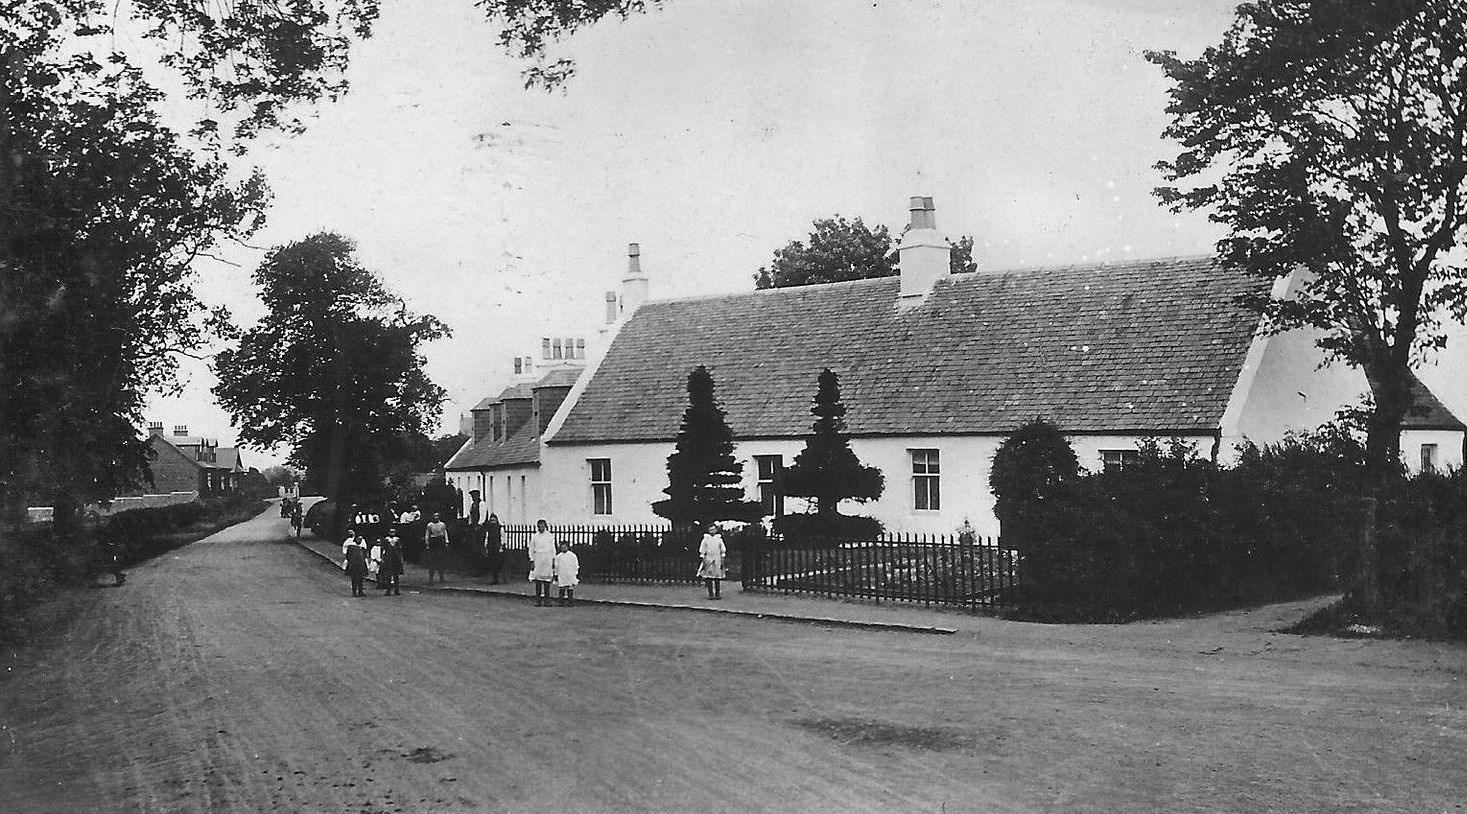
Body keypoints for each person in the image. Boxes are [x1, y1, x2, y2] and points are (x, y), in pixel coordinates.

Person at [528, 518, 557, 607]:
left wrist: (553, 559)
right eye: (539, 526)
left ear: (545, 526)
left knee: (547, 581)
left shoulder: (550, 536)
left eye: (542, 526)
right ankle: (538, 600)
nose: (541, 528)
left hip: (547, 558)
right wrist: (532, 560)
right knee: (538, 581)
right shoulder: (535, 536)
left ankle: (547, 600)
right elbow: (531, 549)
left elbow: (553, 548)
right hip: (538, 558)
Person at [697, 523, 726, 600]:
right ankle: (710, 594)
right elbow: (702, 550)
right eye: (710, 530)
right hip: (708, 558)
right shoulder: (705, 539)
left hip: (717, 558)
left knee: (717, 577)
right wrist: (703, 558)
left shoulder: (719, 539)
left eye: (713, 529)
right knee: (708, 577)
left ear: (716, 530)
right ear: (708, 530)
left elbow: (722, 549)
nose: (712, 531)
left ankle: (717, 594)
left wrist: (722, 558)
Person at [423, 512, 450, 583]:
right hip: (433, 542)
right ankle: (431, 579)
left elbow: (445, 533)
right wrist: (427, 544)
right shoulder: (430, 525)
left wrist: (446, 542)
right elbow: (427, 534)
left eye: (437, 516)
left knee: (441, 560)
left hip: (440, 542)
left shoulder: (442, 524)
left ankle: (442, 578)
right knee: (432, 561)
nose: (436, 517)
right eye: (434, 516)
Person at [342, 530, 370, 597]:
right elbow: (348, 556)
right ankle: (354, 592)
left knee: (360, 579)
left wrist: (366, 565)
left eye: (360, 539)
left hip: (361, 565)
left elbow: (365, 557)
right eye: (358, 539)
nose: (359, 541)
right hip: (353, 565)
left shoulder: (362, 548)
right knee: (354, 579)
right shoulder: (351, 547)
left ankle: (360, 591)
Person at [378, 529, 404, 596]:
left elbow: (400, 549)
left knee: (396, 576)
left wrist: (400, 558)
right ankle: (388, 590)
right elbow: (383, 549)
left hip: (396, 559)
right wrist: (382, 558)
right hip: (388, 559)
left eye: (393, 532)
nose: (392, 533)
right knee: (388, 575)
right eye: (391, 532)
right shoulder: (386, 540)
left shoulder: (397, 540)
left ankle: (396, 590)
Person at [553, 540, 580, 606]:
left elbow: (575, 565)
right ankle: (561, 602)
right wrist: (556, 574)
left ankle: (570, 602)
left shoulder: (572, 555)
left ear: (567, 547)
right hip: (562, 573)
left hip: (570, 573)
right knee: (562, 587)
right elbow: (556, 566)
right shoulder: (558, 556)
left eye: (565, 547)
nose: (564, 548)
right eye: (562, 547)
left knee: (570, 587)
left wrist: (576, 573)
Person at [483, 512, 503, 584]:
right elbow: (487, 537)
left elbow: (502, 538)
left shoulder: (500, 528)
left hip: (497, 547)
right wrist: (486, 546)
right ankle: (494, 578)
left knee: (497, 563)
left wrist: (501, 547)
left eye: (494, 521)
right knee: (492, 562)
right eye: (491, 521)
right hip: (491, 546)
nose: (493, 522)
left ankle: (497, 578)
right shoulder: (489, 529)